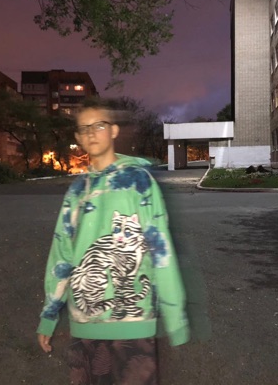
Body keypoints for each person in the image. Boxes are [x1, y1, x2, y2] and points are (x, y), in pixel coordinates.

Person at [37, 99, 190, 385]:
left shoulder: (138, 181)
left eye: (99, 125)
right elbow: (62, 254)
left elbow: (160, 250)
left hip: (134, 325)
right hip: (84, 325)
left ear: (114, 130)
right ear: (78, 137)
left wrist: (174, 314)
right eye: (84, 128)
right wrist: (49, 314)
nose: (91, 133)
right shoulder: (76, 191)